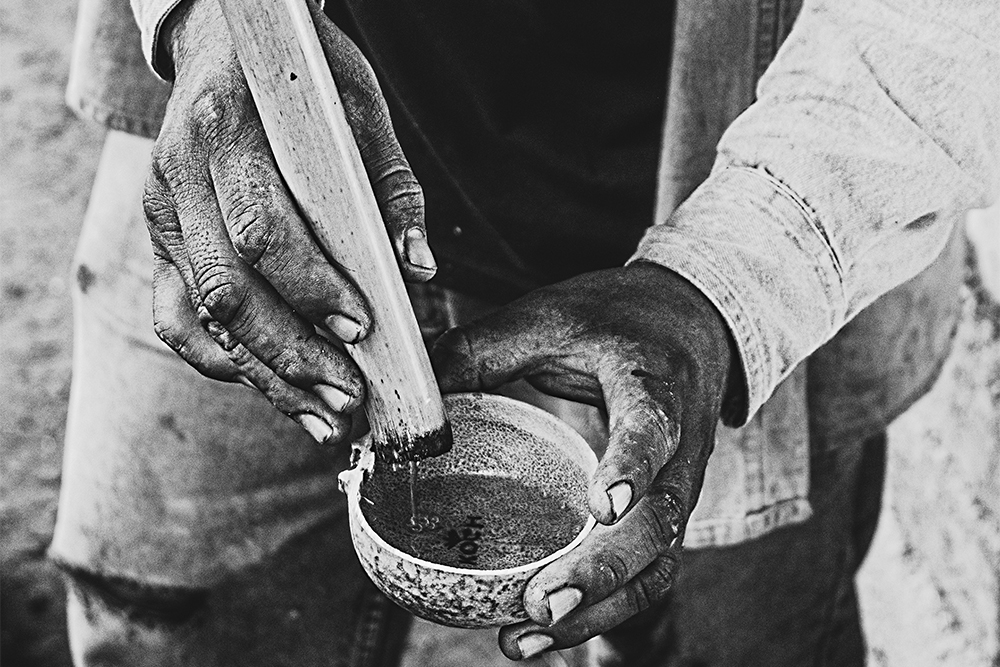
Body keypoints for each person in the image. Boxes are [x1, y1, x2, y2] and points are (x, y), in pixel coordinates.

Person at [52, 0, 998, 664]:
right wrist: (215, 22)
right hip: (265, 165)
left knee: (725, 639)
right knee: (164, 615)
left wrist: (730, 280)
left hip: (756, 158)